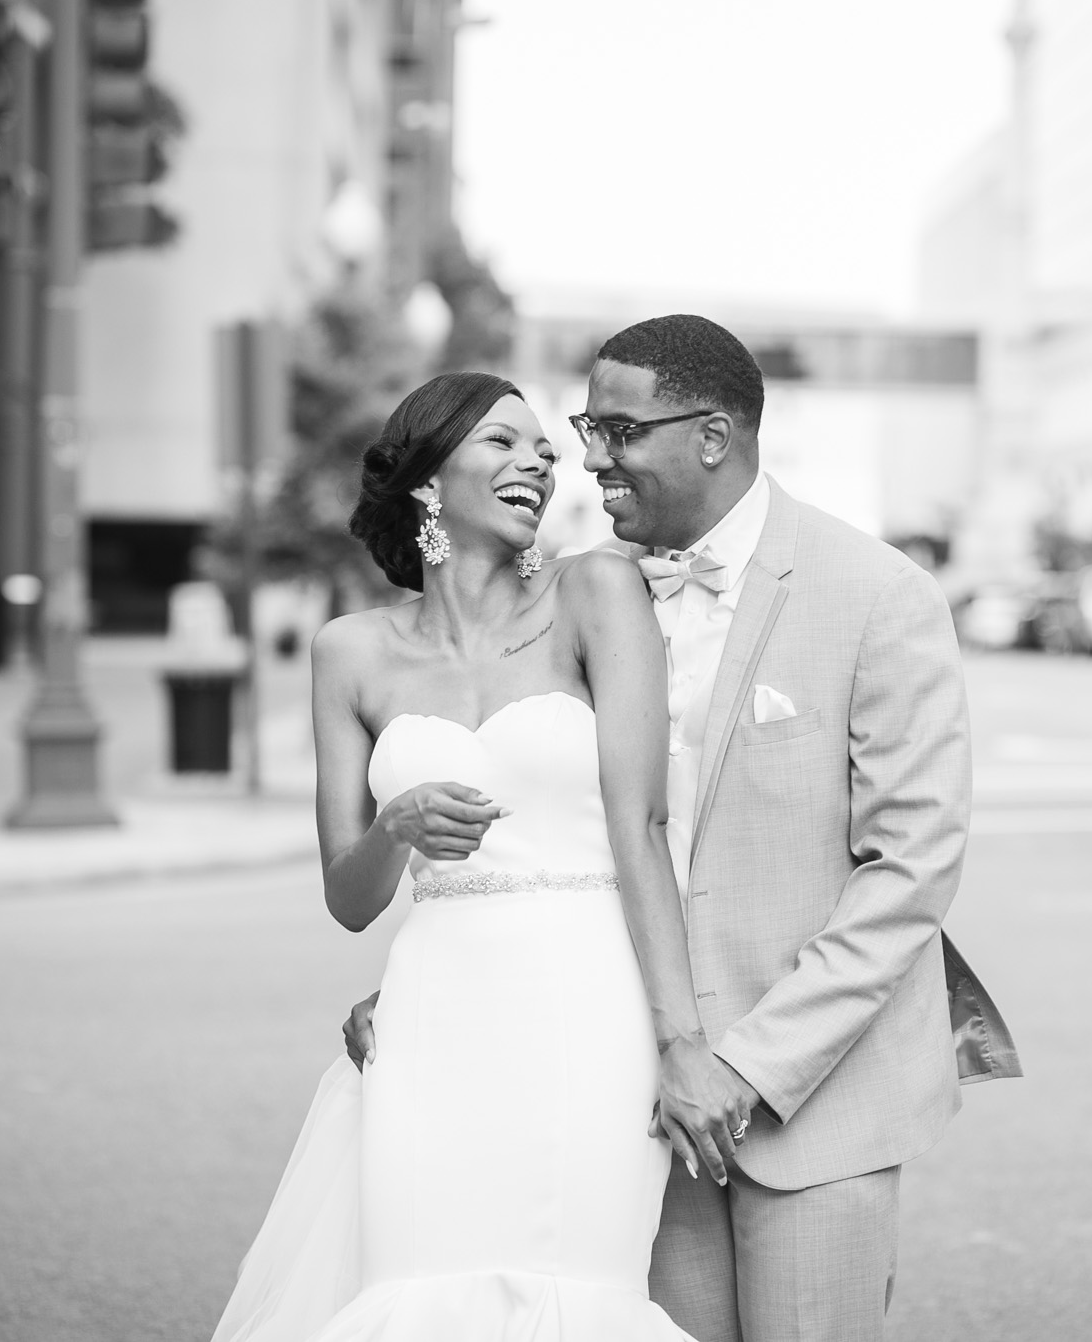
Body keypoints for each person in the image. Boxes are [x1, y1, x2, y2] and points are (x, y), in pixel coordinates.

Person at [343, 315, 1021, 1342]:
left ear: (711, 436)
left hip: (813, 1097)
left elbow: (908, 874)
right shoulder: (577, 596)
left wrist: (745, 1067)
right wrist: (442, 983)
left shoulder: (876, 596)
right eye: (584, 426)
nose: (586, 457)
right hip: (624, 1088)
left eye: (615, 431)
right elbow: (549, 830)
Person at [210, 370, 724, 1340]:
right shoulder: (347, 653)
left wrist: (678, 1038)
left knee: (575, 1283)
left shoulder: (595, 590)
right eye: (500, 441)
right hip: (433, 1015)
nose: (536, 459)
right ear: (425, 484)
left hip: (590, 1003)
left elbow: (643, 827)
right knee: (416, 1287)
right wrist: (395, 826)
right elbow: (349, 899)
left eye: (541, 446)